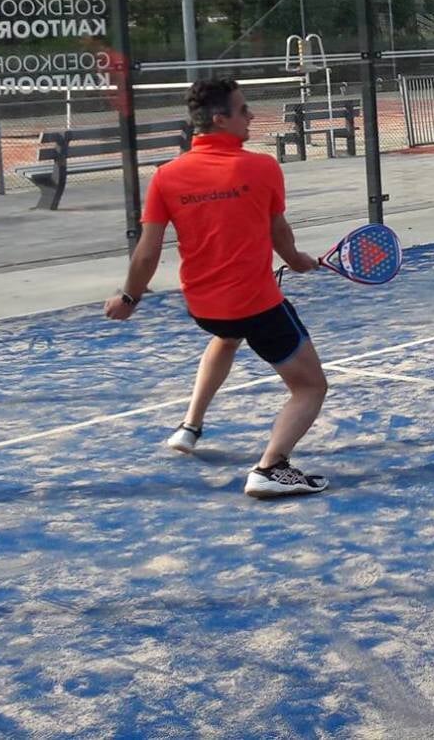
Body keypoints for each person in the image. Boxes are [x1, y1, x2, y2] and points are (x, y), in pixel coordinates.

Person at [103, 77, 332, 499]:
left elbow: (147, 252)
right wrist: (298, 262)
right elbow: (279, 233)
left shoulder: (166, 177)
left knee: (226, 336)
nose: (251, 117)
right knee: (310, 386)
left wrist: (129, 298)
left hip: (204, 307)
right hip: (256, 305)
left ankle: (190, 426)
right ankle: (271, 467)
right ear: (219, 118)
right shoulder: (262, 167)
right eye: (243, 110)